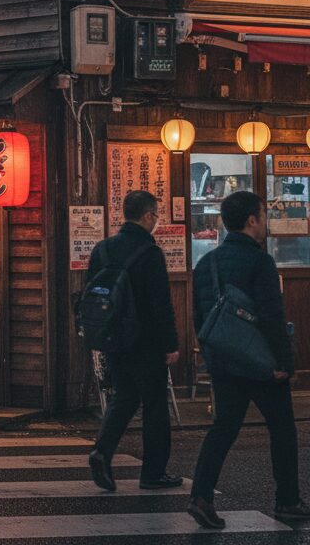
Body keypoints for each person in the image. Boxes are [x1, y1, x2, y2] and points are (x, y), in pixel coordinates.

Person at [188, 191, 310, 528]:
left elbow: (200, 317)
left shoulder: (206, 264)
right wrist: (285, 364)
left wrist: (213, 359)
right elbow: (272, 317)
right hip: (262, 365)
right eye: (263, 215)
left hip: (225, 362)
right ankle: (287, 501)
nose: (266, 222)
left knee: (223, 429)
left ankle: (201, 495)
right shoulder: (260, 261)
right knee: (282, 429)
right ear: (252, 220)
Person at [87, 190, 181, 494]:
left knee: (124, 396)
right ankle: (153, 473)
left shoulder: (102, 249)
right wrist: (170, 343)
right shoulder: (149, 252)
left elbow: (92, 293)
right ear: (148, 216)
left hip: (112, 337)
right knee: (155, 404)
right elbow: (160, 304)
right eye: (156, 215)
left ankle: (102, 451)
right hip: (146, 341)